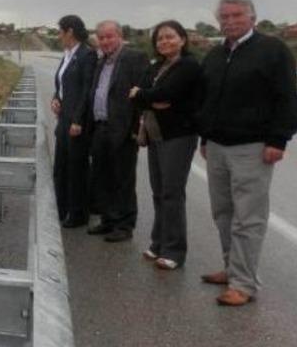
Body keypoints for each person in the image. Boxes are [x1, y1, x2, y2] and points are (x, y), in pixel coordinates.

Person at [197, 0, 297, 306]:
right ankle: (232, 269)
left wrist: (278, 140)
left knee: (248, 218)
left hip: (252, 147)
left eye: (236, 15)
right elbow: (207, 99)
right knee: (223, 213)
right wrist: (204, 137)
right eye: (224, 16)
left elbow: (286, 96)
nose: (229, 21)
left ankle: (244, 283)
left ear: (252, 18)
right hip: (216, 146)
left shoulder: (273, 50)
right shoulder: (215, 54)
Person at [129, 20, 202, 268]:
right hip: (155, 135)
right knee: (159, 192)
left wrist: (146, 95)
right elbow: (140, 94)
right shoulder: (157, 65)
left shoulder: (189, 66)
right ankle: (157, 243)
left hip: (178, 136)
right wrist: (148, 97)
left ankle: (174, 251)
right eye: (160, 39)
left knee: (172, 193)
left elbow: (163, 94)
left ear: (182, 39)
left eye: (170, 37)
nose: (164, 42)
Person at [86, 20, 148, 242]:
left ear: (120, 36)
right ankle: (108, 219)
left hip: (123, 129)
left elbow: (141, 95)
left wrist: (135, 129)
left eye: (109, 36)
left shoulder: (134, 58)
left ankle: (124, 224)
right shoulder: (101, 62)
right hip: (101, 127)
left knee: (123, 179)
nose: (105, 41)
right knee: (103, 177)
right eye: (101, 37)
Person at [51, 15, 97, 228]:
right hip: (64, 118)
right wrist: (55, 98)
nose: (58, 35)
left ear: (69, 31)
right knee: (61, 165)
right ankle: (61, 209)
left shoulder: (87, 55)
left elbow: (87, 90)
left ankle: (78, 213)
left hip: (76, 121)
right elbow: (62, 84)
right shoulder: (68, 54)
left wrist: (78, 120)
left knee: (76, 167)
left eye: (60, 31)